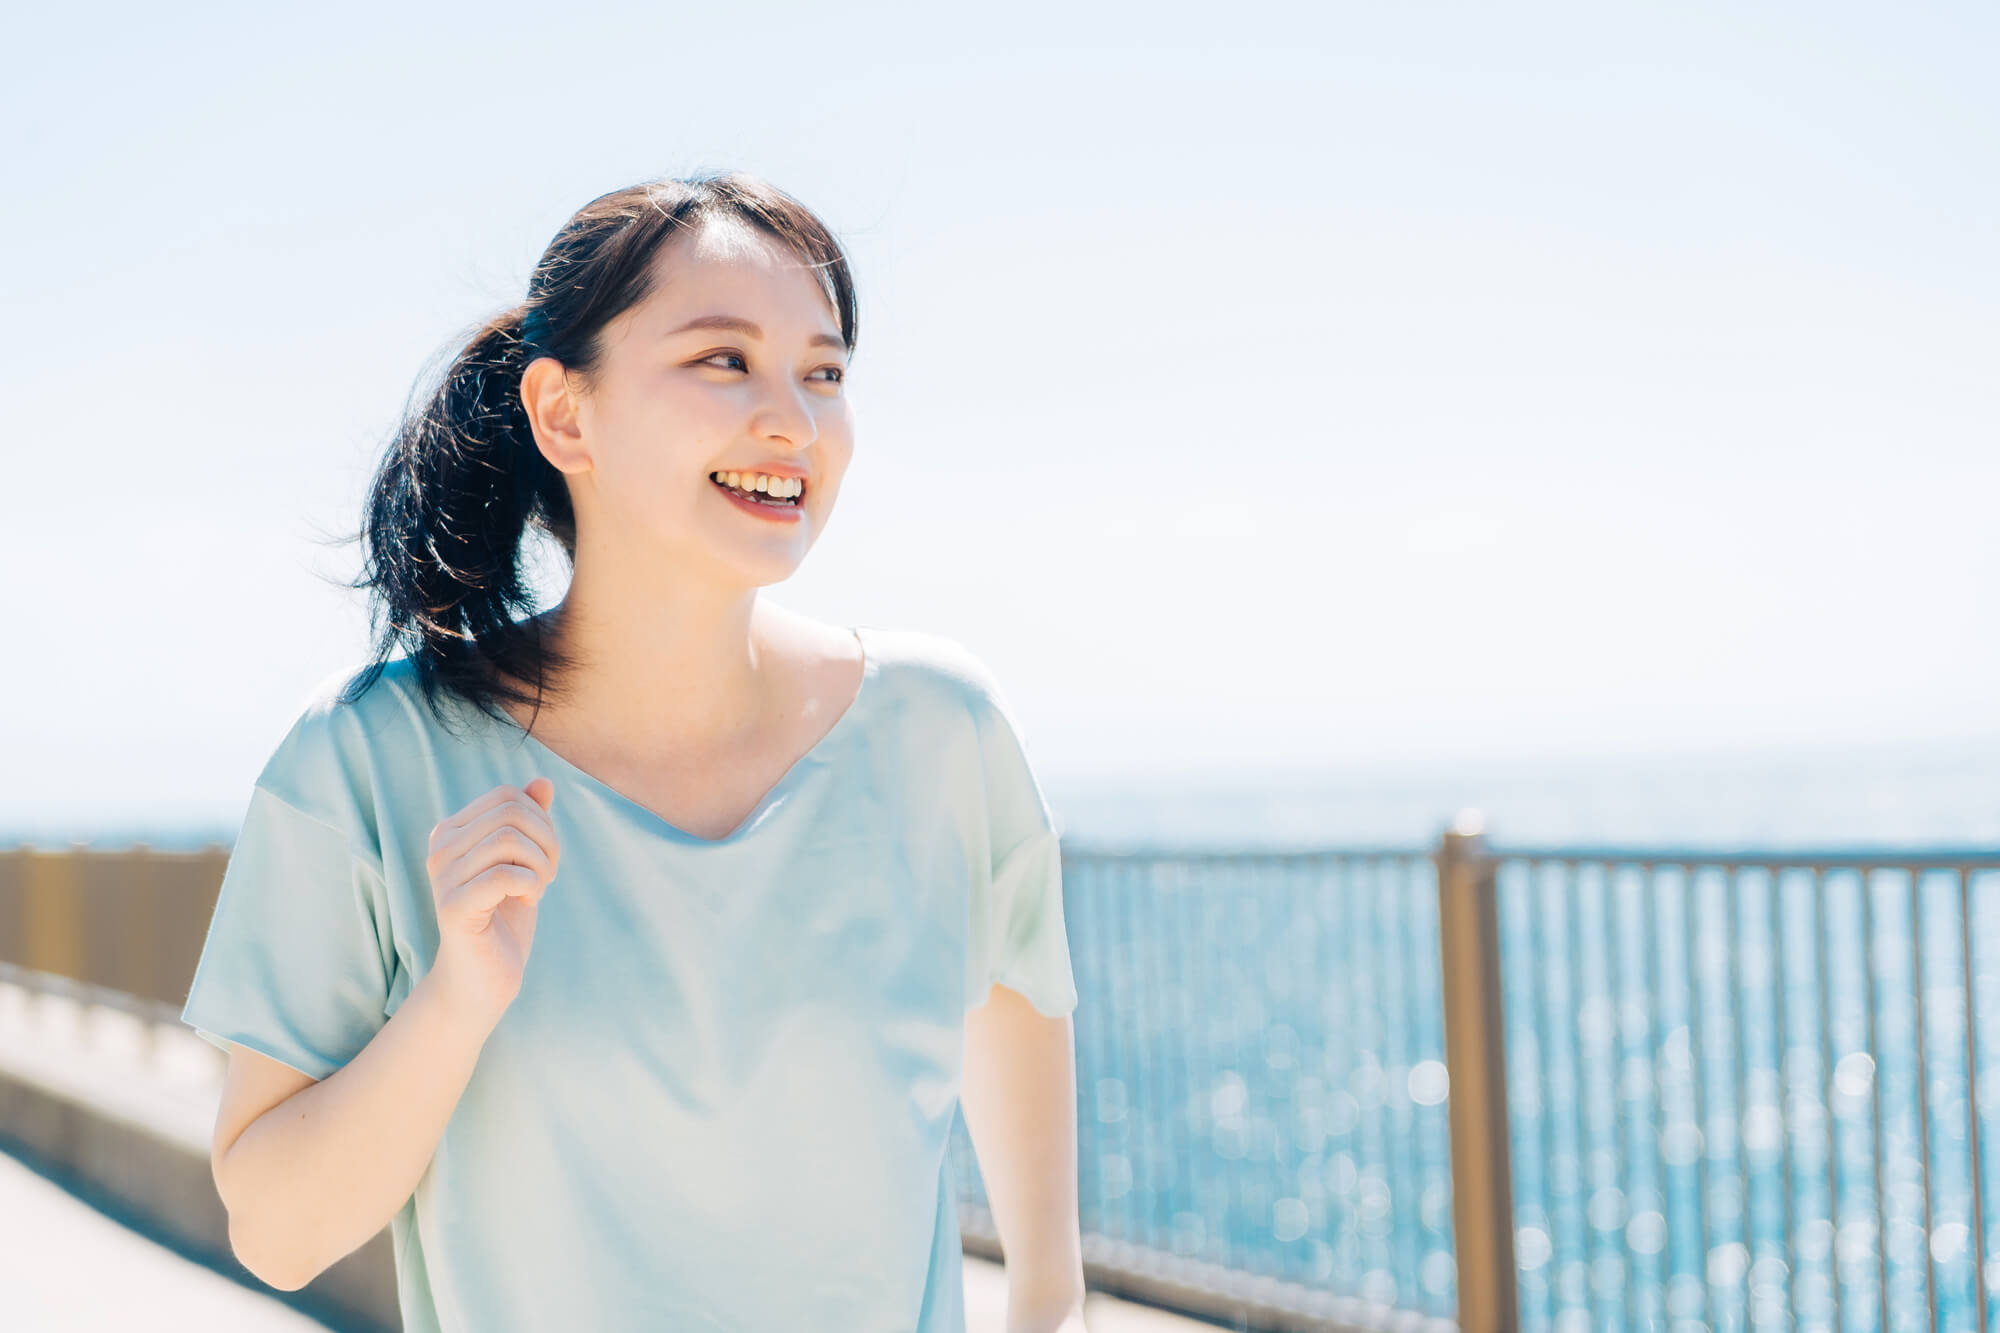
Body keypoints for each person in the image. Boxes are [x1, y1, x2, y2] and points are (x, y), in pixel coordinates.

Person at [180, 172, 1087, 1333]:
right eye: (724, 360)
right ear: (564, 415)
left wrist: (1049, 1307)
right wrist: (455, 1003)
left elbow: (1025, 1069)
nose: (794, 421)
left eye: (823, 372)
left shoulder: (943, 734)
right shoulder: (366, 762)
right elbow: (279, 1230)